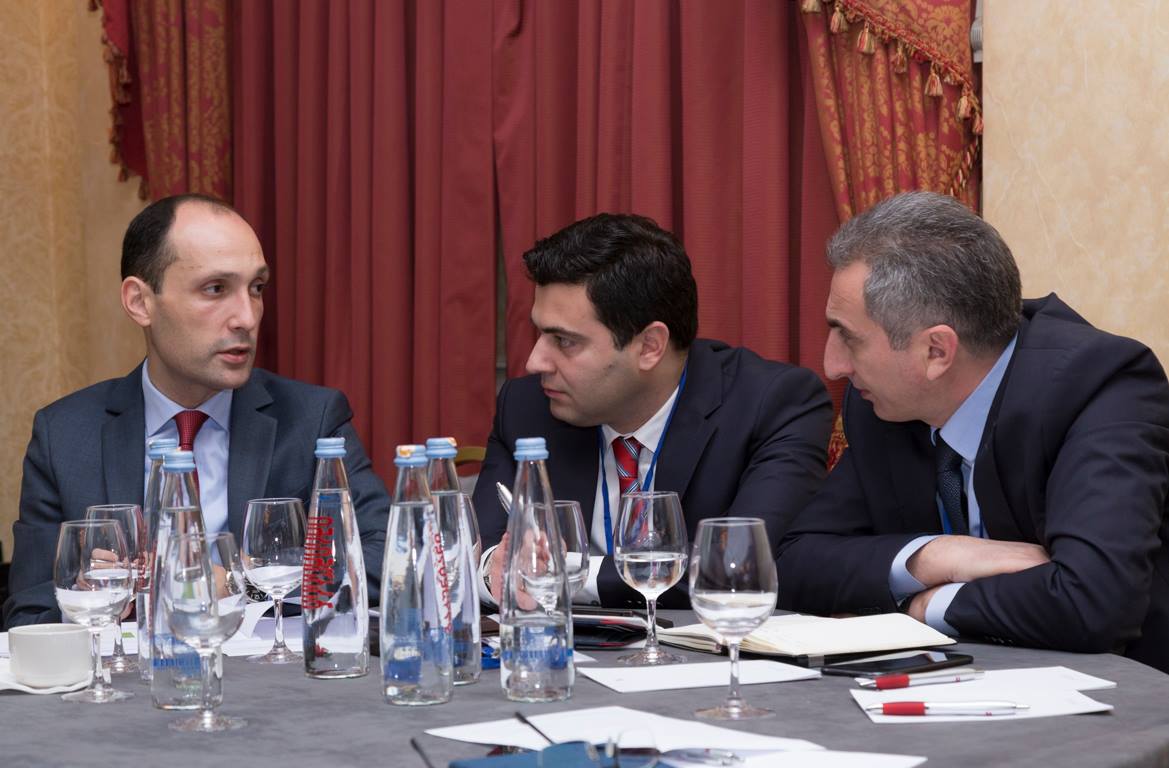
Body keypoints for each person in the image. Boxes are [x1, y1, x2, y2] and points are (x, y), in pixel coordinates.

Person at [776, 191, 1169, 672]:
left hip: (1127, 695)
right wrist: (935, 558)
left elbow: (1094, 602)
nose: (832, 365)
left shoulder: (1100, 387)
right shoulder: (882, 405)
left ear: (936, 352)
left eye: (849, 338)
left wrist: (923, 608)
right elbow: (794, 563)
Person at [2, 194, 390, 628]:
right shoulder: (65, 435)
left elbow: (384, 557)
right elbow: (29, 612)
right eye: (215, 289)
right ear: (140, 302)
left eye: (256, 288)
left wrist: (240, 581)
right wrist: (84, 601)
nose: (247, 317)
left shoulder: (311, 419)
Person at [474, 213, 833, 608]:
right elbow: (482, 550)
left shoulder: (771, 406)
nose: (535, 361)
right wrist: (495, 571)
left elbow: (735, 565)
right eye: (540, 333)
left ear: (649, 347)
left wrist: (566, 576)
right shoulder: (527, 407)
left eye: (564, 341)